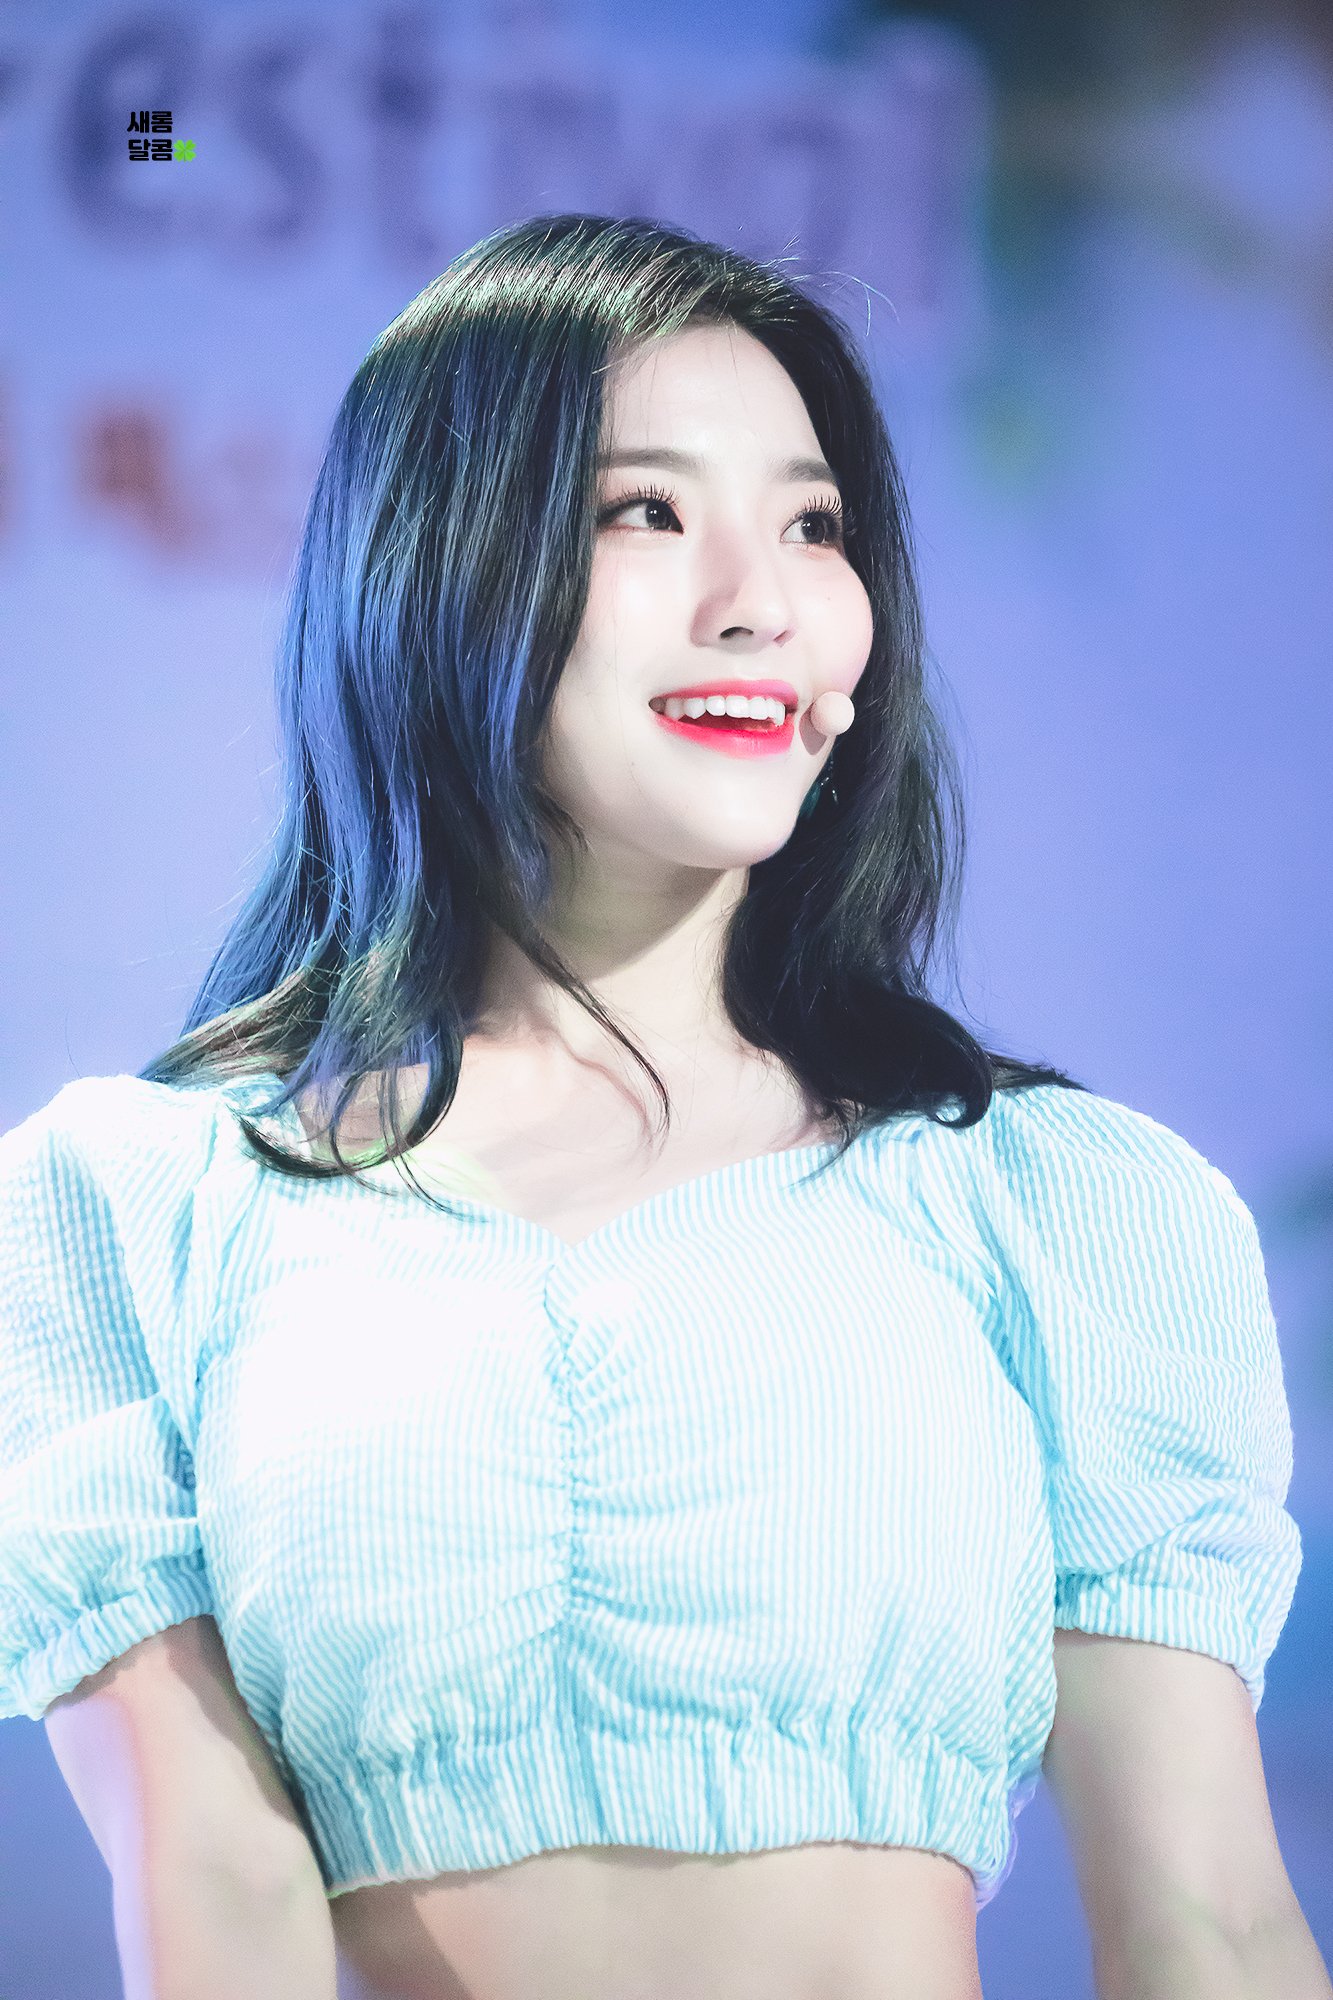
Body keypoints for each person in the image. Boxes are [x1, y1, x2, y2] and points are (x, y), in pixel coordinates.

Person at [1, 213, 1326, 2000]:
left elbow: (1205, 1922)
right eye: (644, 511)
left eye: (813, 526)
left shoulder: (1055, 1203)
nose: (758, 600)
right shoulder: (132, 1209)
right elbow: (214, 1889)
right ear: (436, 567)